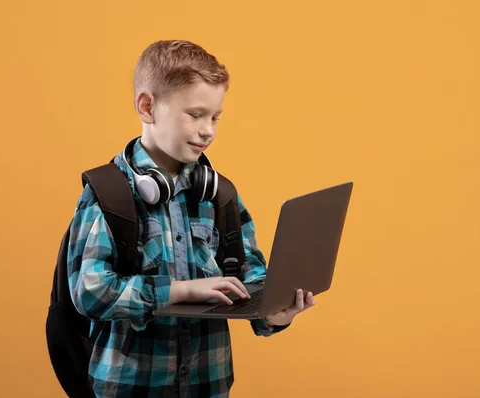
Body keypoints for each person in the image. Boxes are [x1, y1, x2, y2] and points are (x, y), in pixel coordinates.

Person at [67, 39, 316, 398]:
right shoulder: (109, 195)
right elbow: (90, 292)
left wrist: (274, 313)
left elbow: (252, 278)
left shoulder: (221, 196)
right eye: (195, 115)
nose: (208, 130)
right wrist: (182, 291)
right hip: (130, 388)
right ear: (147, 107)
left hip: (208, 384)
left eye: (215, 117)